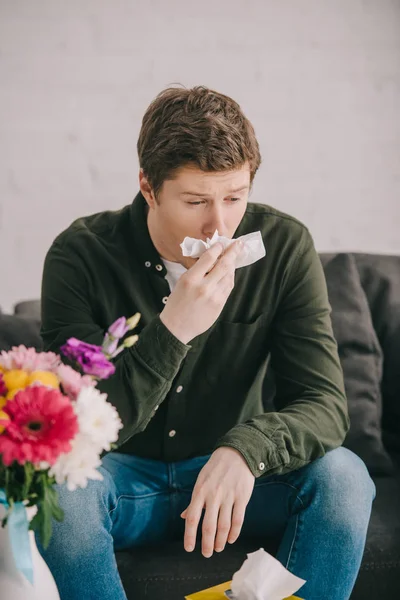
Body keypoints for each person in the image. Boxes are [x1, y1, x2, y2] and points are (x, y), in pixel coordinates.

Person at [38, 85, 376, 600]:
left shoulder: (284, 246)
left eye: (235, 198)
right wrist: (174, 330)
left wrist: (246, 450)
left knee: (345, 478)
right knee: (59, 493)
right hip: (120, 479)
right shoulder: (79, 255)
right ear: (148, 189)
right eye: (196, 201)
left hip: (239, 478)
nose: (220, 226)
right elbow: (76, 431)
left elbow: (325, 404)